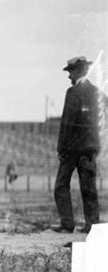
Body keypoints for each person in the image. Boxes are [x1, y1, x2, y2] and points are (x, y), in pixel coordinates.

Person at [51, 56, 105, 234]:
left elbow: (67, 123)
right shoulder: (99, 93)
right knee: (89, 187)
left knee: (61, 185)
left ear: (79, 71)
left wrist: (61, 148)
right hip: (90, 148)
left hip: (72, 149)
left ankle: (67, 223)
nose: (69, 77)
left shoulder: (72, 92)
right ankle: (92, 225)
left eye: (71, 72)